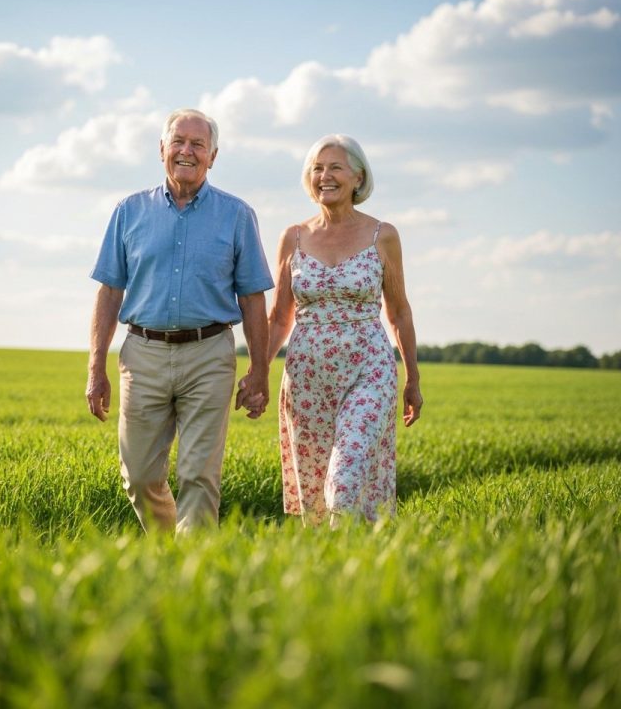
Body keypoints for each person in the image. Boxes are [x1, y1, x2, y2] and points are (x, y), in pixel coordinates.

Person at [86, 108, 273, 534]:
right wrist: (96, 367)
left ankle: (195, 572)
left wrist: (259, 371)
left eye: (198, 144)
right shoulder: (129, 211)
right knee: (139, 476)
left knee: (198, 475)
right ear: (162, 150)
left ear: (213, 156)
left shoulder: (237, 215)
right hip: (143, 353)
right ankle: (171, 551)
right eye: (178, 142)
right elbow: (109, 291)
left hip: (210, 353)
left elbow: (253, 298)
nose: (187, 151)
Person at [267, 134, 423, 527]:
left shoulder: (382, 235)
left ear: (358, 176)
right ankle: (342, 571)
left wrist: (413, 379)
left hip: (368, 371)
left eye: (335, 167)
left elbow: (399, 311)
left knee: (345, 477)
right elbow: (278, 317)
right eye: (317, 168)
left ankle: (348, 551)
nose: (325, 176)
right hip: (307, 377)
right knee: (316, 495)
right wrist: (256, 373)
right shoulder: (294, 237)